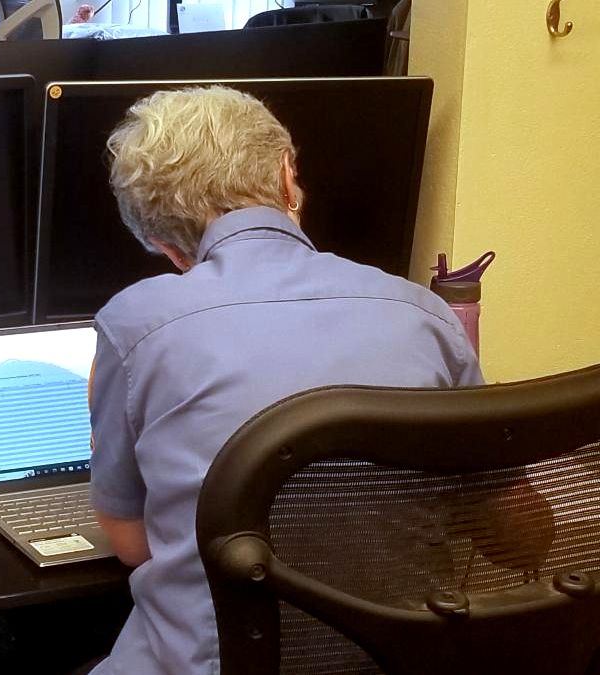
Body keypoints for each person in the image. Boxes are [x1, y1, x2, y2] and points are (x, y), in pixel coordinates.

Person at [85, 86, 484, 673]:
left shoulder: (135, 326)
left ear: (164, 245)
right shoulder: (425, 312)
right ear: (286, 174)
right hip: (395, 657)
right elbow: (499, 516)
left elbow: (131, 545)